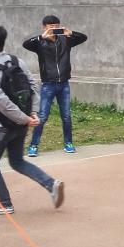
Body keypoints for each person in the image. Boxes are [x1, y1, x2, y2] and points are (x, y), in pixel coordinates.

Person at [0, 25, 64, 216]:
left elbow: (2, 102)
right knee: (16, 161)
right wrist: (32, 113)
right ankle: (51, 184)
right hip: (20, 124)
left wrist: (26, 118)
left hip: (0, 127)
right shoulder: (17, 61)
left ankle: (4, 204)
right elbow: (33, 86)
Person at [22, 15, 87, 156]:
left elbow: (83, 37)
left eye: (56, 26)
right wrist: (41, 37)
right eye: (50, 26)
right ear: (44, 27)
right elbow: (26, 44)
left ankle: (68, 143)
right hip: (48, 85)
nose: (54, 29)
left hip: (64, 84)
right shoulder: (39, 43)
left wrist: (71, 33)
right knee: (43, 116)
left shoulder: (66, 40)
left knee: (66, 116)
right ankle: (33, 146)